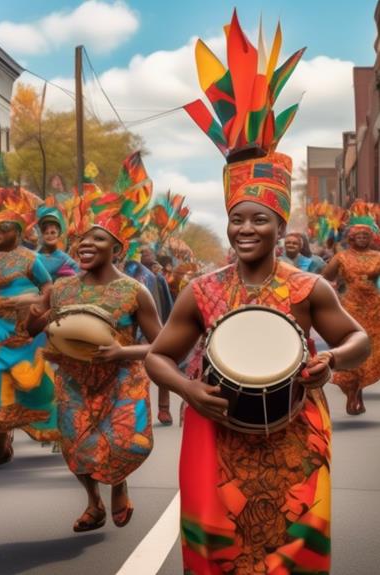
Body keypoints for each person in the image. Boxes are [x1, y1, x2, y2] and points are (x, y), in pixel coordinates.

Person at [148, 16, 371, 572]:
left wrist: (332, 360)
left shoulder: (307, 286)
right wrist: (187, 391)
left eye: (260, 220)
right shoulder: (201, 290)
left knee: (291, 554)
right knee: (219, 553)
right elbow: (157, 355)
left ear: (278, 225)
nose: (246, 230)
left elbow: (359, 338)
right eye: (237, 220)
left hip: (293, 432)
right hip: (216, 429)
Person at [27, 210, 162, 533]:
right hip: (74, 381)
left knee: (128, 443)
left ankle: (119, 483)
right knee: (76, 447)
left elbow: (162, 344)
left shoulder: (134, 291)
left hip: (122, 379)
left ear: (116, 249)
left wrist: (121, 351)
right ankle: (93, 503)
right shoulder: (61, 289)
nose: (86, 244)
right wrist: (35, 312)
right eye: (82, 239)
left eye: (97, 239)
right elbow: (32, 329)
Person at [0, 188, 57, 465]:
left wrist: (23, 301)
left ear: (18, 233)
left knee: (27, 384)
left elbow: (48, 289)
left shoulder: (30, 259)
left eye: (4, 227)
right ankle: (1, 433)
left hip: (22, 333)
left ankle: (6, 434)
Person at [322, 201, 380, 415]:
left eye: (366, 235)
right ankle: (352, 394)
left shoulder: (378, 257)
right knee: (353, 349)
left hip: (374, 308)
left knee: (370, 353)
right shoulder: (341, 257)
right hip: (350, 307)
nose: (363, 239)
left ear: (371, 238)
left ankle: (360, 391)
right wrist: (334, 292)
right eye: (359, 235)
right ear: (351, 237)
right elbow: (325, 278)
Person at [135, 243, 176, 425]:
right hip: (133, 332)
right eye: (142, 252)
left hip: (156, 326)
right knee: (136, 373)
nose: (145, 255)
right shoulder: (124, 274)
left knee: (161, 364)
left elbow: (167, 303)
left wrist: (169, 326)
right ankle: (136, 412)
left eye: (147, 252)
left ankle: (164, 409)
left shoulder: (157, 278)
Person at [36, 206, 79, 279]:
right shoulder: (35, 256)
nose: (50, 235)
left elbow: (77, 275)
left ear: (58, 234)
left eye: (53, 233)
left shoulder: (64, 259)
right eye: (46, 233)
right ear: (42, 235)